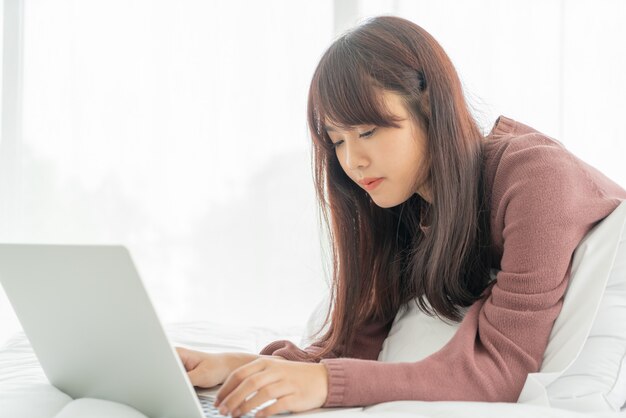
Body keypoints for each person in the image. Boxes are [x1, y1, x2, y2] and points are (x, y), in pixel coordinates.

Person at [176, 15, 626, 418]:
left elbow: (497, 372)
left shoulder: (537, 179)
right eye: (337, 140)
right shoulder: (404, 200)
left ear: (429, 105)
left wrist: (329, 384)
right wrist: (246, 366)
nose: (353, 161)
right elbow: (360, 344)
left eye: (368, 131)